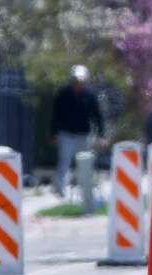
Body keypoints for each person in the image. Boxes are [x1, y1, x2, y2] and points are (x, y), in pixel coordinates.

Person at [51, 65, 105, 197]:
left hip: (83, 134)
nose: (78, 83)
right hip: (66, 134)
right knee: (64, 161)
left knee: (84, 162)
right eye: (75, 80)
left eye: (80, 81)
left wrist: (101, 134)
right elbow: (55, 114)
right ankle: (61, 189)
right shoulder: (63, 94)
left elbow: (97, 115)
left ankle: (85, 190)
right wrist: (53, 133)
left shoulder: (90, 95)